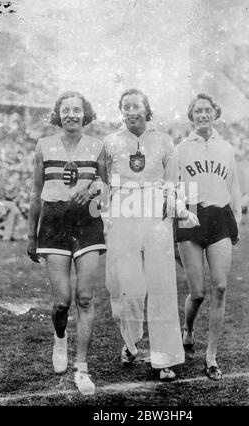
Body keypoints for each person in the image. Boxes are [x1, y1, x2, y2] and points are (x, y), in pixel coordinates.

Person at [98, 88, 187, 381]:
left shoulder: (163, 141)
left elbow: (173, 181)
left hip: (156, 218)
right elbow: (102, 185)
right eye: (126, 106)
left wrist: (172, 203)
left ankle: (165, 358)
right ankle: (130, 341)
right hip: (123, 218)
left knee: (161, 286)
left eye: (137, 106)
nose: (131, 111)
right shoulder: (110, 143)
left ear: (146, 109)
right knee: (127, 287)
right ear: (120, 110)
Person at [27, 91, 106, 395]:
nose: (72, 115)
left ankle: (82, 368)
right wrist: (32, 235)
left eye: (77, 110)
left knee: (84, 299)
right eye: (66, 110)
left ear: (85, 114)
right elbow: (36, 193)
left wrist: (95, 189)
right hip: (54, 224)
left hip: (87, 223)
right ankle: (60, 337)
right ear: (57, 115)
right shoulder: (44, 146)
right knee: (62, 301)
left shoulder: (97, 146)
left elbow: (106, 185)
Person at [176, 93, 241, 381]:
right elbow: (175, 189)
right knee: (199, 293)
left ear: (215, 113)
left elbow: (234, 187)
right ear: (191, 116)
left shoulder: (226, 148)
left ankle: (211, 356)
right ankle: (188, 329)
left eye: (208, 110)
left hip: (220, 220)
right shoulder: (181, 149)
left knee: (221, 287)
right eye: (198, 111)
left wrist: (236, 221)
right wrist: (179, 215)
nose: (203, 115)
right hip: (190, 217)